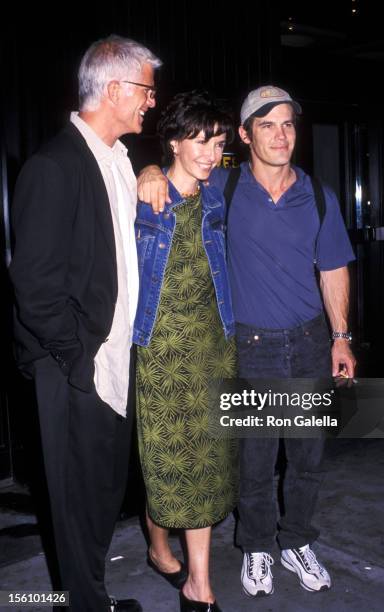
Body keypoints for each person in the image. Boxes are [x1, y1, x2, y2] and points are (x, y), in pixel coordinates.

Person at [137, 85, 356, 600]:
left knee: (307, 460)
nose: (280, 136)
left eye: (287, 124)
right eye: (266, 125)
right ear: (244, 134)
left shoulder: (320, 195)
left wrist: (342, 337)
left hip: (308, 342)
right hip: (251, 346)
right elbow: (178, 177)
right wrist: (146, 170)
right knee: (254, 462)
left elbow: (334, 268)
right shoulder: (224, 190)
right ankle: (256, 546)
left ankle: (297, 541)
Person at [9, 35, 161, 612]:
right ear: (117, 88)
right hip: (77, 365)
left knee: (101, 494)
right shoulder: (54, 166)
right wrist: (79, 360)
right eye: (146, 88)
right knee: (75, 502)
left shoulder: (117, 160)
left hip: (114, 359)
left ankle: (87, 594)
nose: (151, 100)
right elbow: (35, 285)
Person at [133, 91, 238, 612]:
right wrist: (145, 168)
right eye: (198, 140)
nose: (208, 152)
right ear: (174, 140)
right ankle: (157, 546)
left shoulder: (216, 195)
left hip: (214, 347)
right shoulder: (142, 198)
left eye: (216, 142)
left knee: (208, 466)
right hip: (160, 352)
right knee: (167, 467)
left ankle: (200, 585)